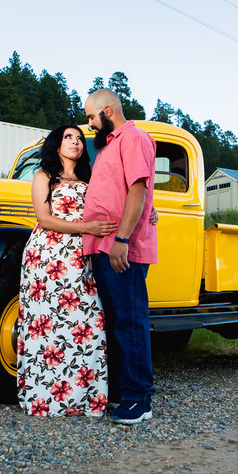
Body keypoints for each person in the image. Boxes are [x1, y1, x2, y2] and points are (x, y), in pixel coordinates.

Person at [16, 125, 118, 417]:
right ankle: (46, 399)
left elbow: (113, 202)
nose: (75, 142)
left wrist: (149, 208)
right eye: (68, 137)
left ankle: (83, 399)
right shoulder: (44, 176)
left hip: (80, 259)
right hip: (47, 259)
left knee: (86, 323)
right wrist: (86, 228)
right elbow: (44, 219)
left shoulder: (90, 178)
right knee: (47, 326)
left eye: (79, 139)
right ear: (56, 144)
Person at [81, 89, 158, 425]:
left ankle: (139, 399)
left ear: (107, 110)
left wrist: (122, 239)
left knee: (130, 319)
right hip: (103, 246)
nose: (89, 122)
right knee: (115, 321)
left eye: (91, 116)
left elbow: (138, 189)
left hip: (120, 247)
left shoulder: (134, 138)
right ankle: (122, 394)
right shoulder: (110, 144)